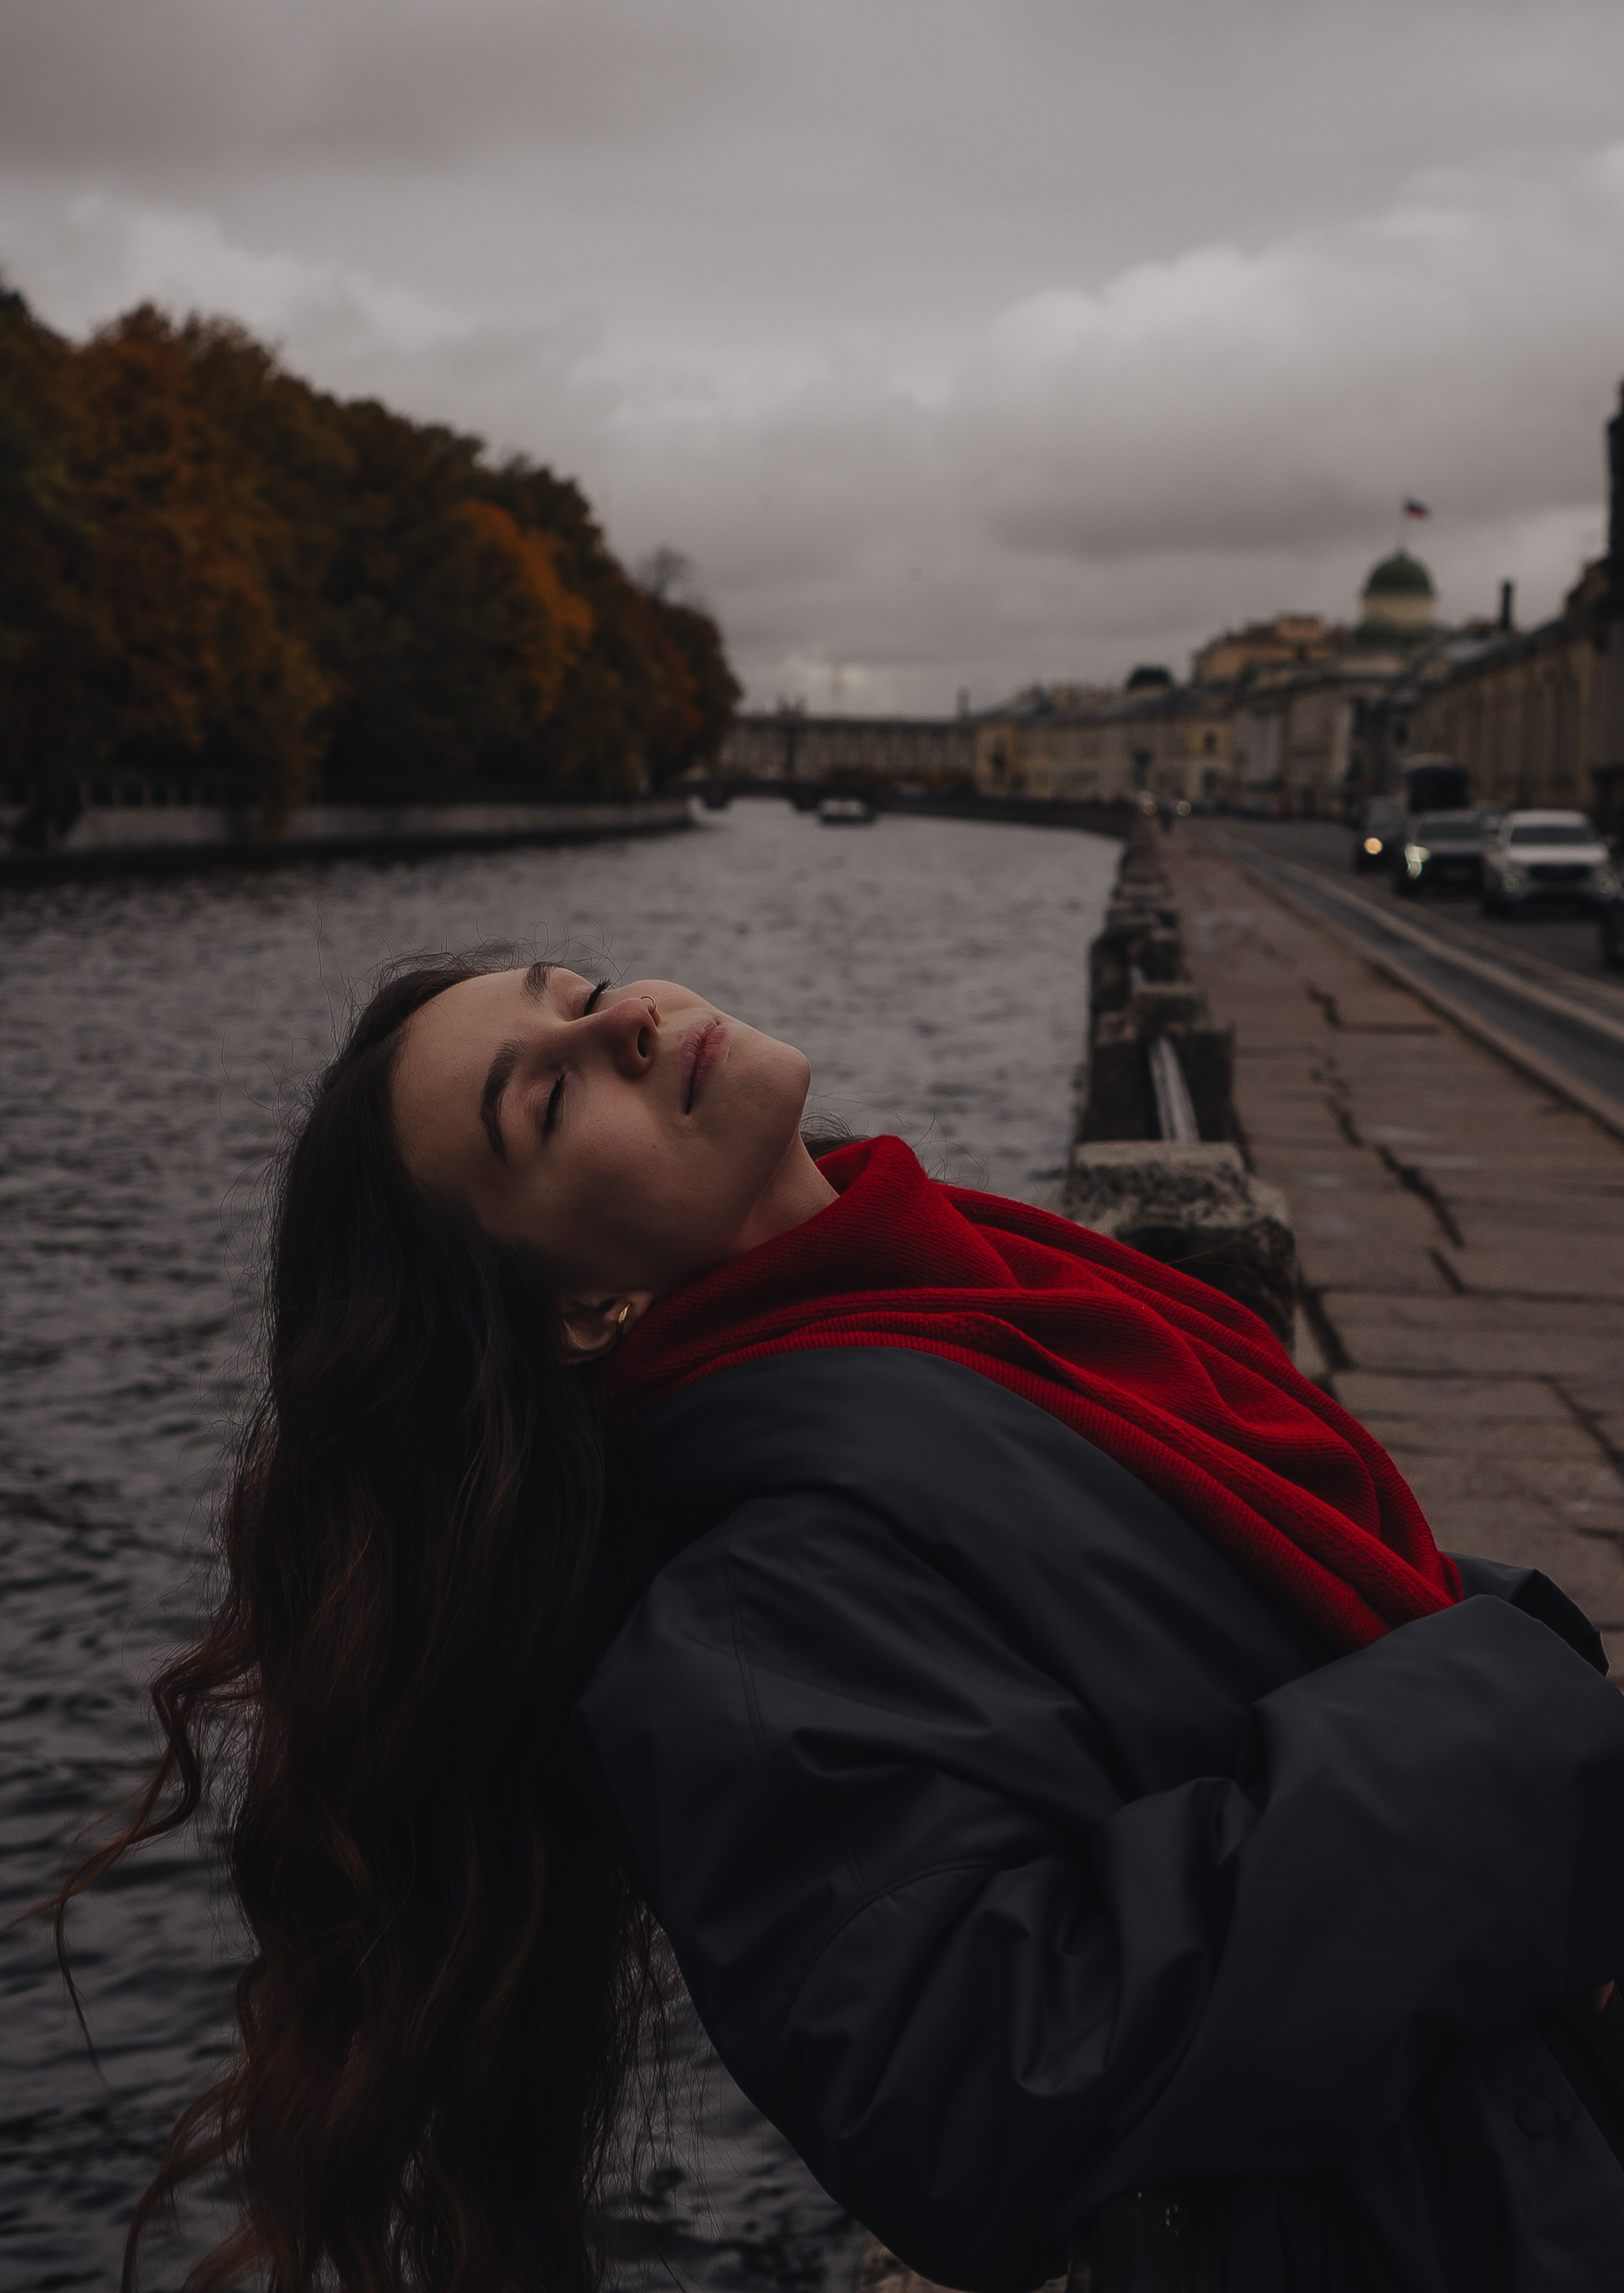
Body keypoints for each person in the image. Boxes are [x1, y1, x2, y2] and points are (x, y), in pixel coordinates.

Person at [58, 957, 1624, 2293]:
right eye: (544, 1101)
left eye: (585, 993)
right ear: (576, 1311)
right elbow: (978, 2092)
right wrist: (1514, 1697)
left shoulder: (977, 1300)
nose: (623, 1025)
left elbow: (1240, 1635)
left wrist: (1481, 1647)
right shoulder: (746, 1610)